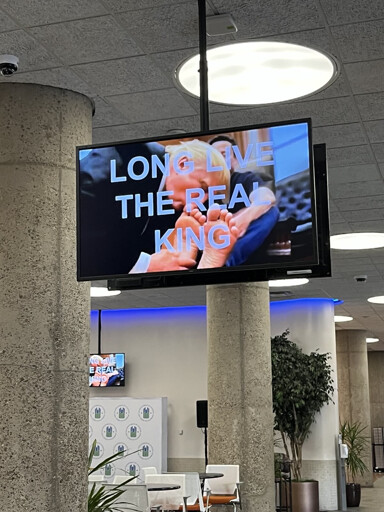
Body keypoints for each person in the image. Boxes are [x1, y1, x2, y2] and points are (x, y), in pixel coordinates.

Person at [209, 135, 280, 266]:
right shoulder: (198, 190)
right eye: (212, 156)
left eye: (223, 154)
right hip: (209, 245)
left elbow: (266, 197)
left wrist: (244, 218)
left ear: (235, 160)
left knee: (271, 211)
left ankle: (226, 263)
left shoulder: (245, 179)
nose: (217, 160)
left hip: (239, 240)